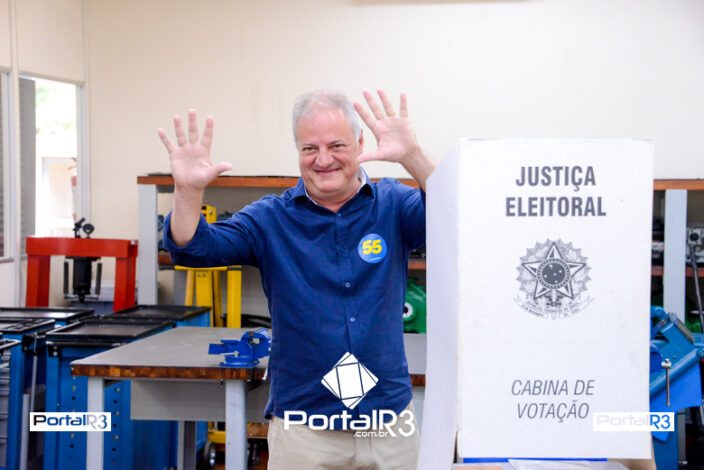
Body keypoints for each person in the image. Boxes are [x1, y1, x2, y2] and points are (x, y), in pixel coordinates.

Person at [158, 89, 435, 469]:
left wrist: (412, 155)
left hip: (388, 424)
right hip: (304, 428)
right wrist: (188, 191)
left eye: (336, 145)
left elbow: (456, 213)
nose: (323, 159)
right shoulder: (270, 218)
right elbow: (194, 249)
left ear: (360, 143)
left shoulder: (393, 204)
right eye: (309, 148)